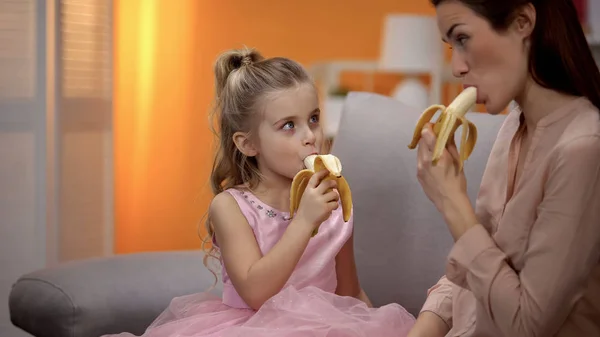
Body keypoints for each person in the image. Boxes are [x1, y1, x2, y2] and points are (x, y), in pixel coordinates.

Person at [102, 48, 416, 337]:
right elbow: (256, 292)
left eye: (314, 119)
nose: (310, 137)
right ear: (248, 144)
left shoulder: (332, 202)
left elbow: (350, 293)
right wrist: (304, 222)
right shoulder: (231, 208)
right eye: (288, 126)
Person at [409, 0, 600, 336]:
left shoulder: (583, 149)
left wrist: (452, 202)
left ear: (523, 22)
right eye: (450, 46)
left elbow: (525, 325)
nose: (456, 67)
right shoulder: (513, 125)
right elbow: (473, 272)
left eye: (463, 39)